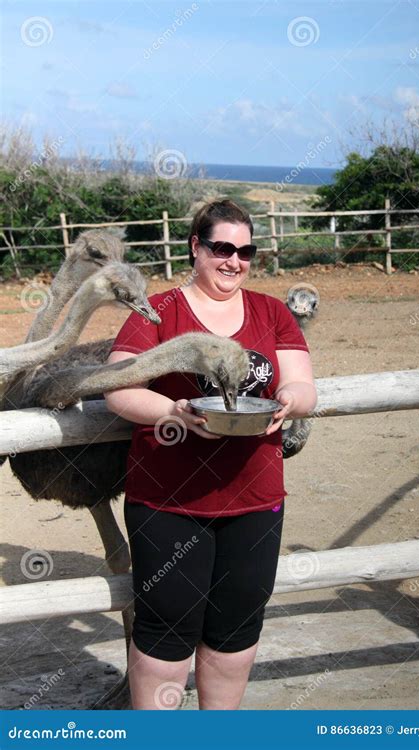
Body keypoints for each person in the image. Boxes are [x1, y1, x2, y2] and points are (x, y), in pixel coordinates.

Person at [105, 199, 317, 710]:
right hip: (170, 502)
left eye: (245, 251)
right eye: (222, 248)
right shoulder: (158, 311)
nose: (234, 261)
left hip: (255, 499)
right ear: (196, 248)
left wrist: (290, 401)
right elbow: (118, 384)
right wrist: (176, 412)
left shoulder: (272, 311)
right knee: (166, 628)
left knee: (237, 628)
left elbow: (303, 387)